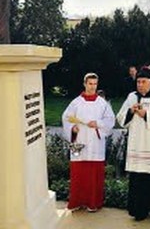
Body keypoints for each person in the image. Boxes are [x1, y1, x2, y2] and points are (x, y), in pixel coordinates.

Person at [116, 67, 150, 222]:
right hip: (138, 145)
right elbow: (120, 118)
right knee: (138, 179)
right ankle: (139, 210)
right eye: (138, 82)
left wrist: (145, 114)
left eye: (143, 82)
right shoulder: (131, 97)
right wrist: (130, 112)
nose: (140, 85)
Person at [61, 73, 115, 212]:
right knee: (78, 173)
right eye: (90, 84)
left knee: (94, 174)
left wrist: (97, 123)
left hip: (95, 143)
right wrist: (72, 128)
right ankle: (77, 202)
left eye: (95, 84)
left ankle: (93, 203)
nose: (92, 87)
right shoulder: (76, 102)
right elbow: (66, 118)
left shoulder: (102, 103)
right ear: (84, 84)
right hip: (79, 141)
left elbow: (110, 121)